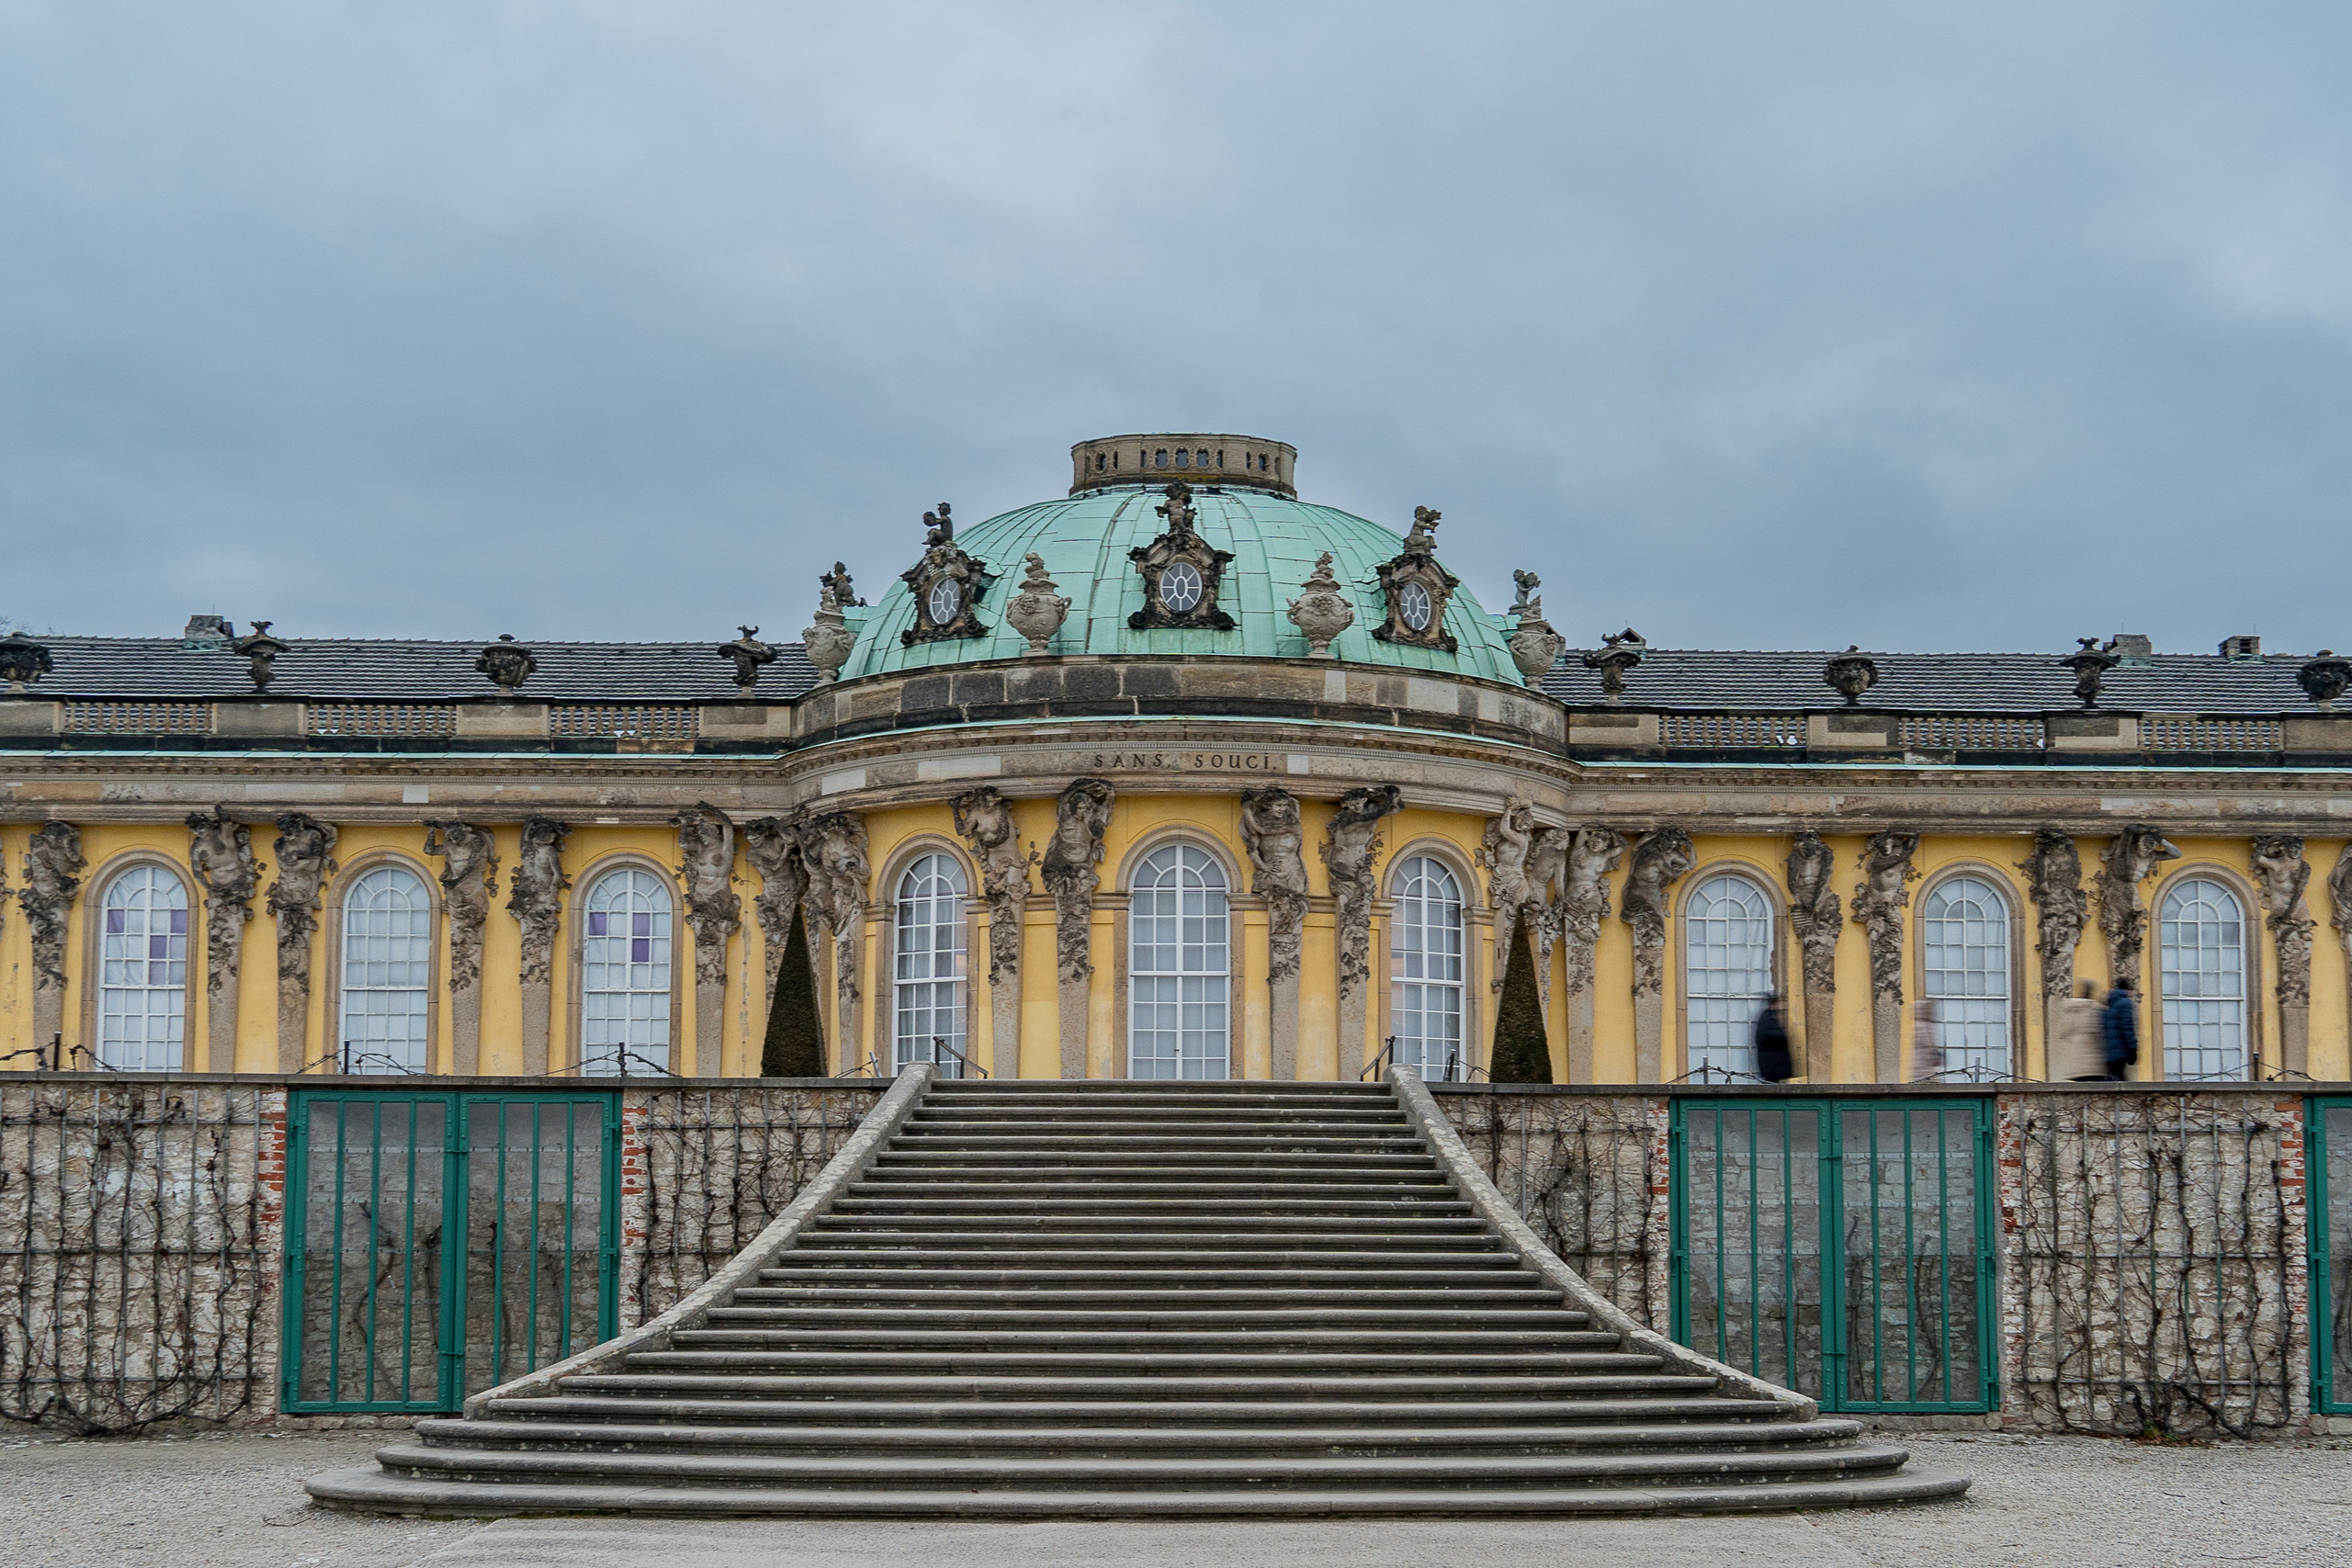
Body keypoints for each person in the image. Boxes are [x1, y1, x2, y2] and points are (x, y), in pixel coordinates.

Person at [2052, 980, 2108, 1081]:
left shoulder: (2071, 1010)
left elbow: (2064, 1033)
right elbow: (2097, 1034)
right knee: (2096, 1090)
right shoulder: (2093, 1009)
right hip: (2093, 1063)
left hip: (2075, 1062)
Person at [2102, 976, 2140, 1081]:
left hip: (2111, 1052)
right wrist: (2133, 1048)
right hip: (2121, 1051)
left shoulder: (2110, 1004)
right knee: (2121, 1084)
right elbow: (2127, 1027)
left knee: (2115, 1078)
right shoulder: (2125, 1003)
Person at [1752, 993, 1793, 1083]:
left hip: (1772, 1061)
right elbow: (1768, 1035)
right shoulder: (1768, 1017)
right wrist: (1783, 1036)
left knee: (1773, 1082)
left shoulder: (1768, 1016)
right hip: (1772, 1062)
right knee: (1772, 1083)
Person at [1909, 998, 1943, 1082]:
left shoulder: (1916, 1026)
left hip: (1919, 1071)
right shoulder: (1923, 1026)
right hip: (1924, 1072)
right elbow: (1929, 1049)